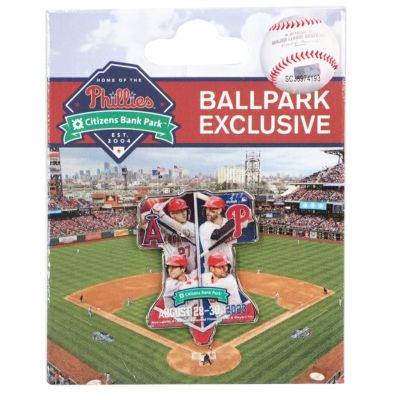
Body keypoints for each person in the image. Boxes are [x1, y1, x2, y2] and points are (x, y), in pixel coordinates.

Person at [143, 197, 197, 277]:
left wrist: (161, 214)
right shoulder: (161, 227)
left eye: (185, 210)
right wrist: (153, 211)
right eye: (180, 210)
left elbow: (182, 229)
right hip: (171, 273)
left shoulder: (192, 226)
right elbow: (140, 222)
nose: (184, 213)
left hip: (190, 273)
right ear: (172, 214)